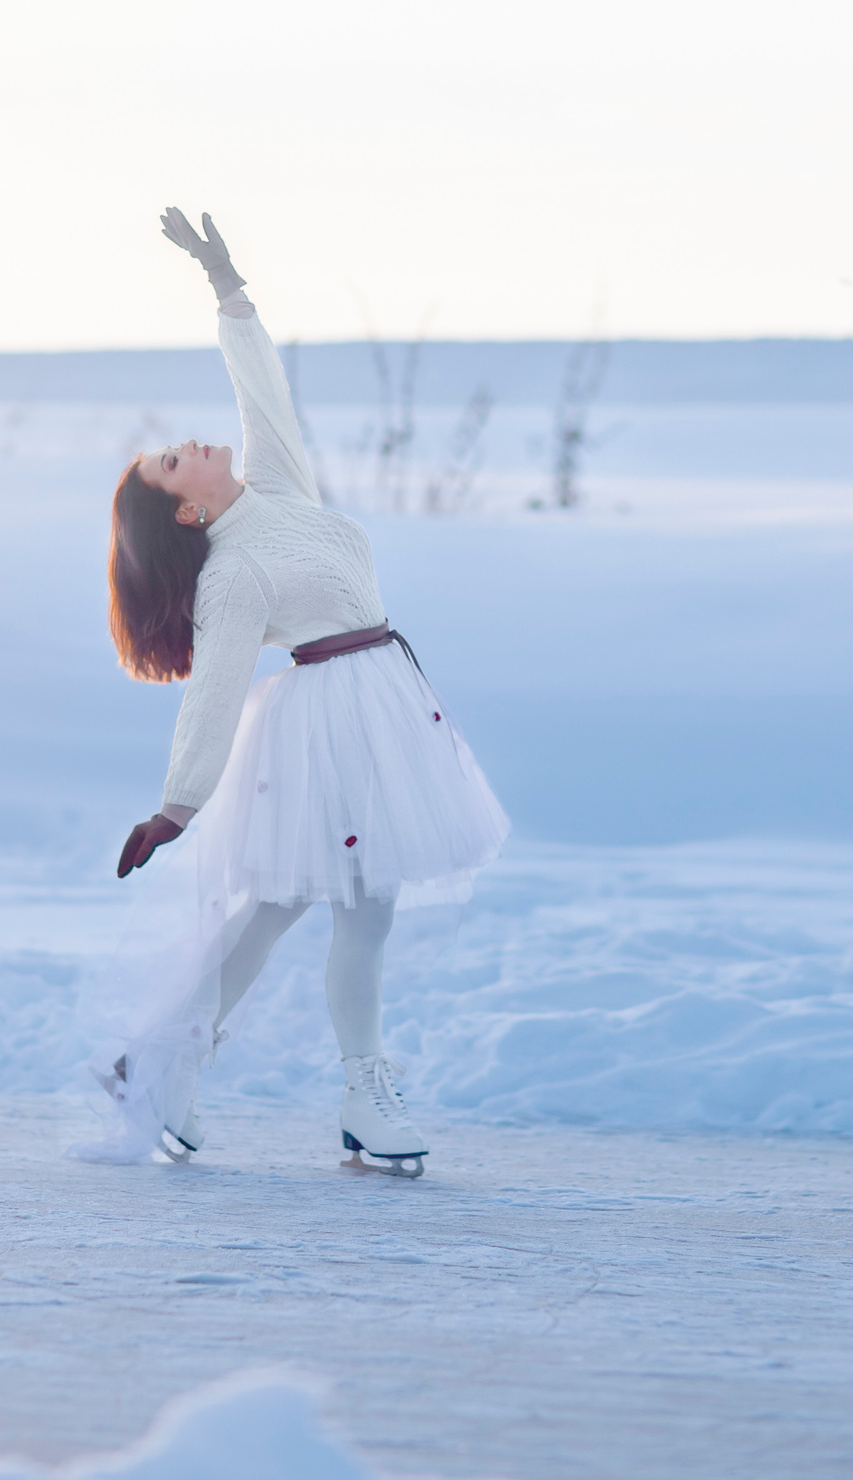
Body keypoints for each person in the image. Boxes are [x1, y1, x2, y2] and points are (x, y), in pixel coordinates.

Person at [87, 208, 509, 1177]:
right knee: (355, 910)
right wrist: (176, 806)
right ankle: (362, 1088)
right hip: (329, 727)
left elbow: (262, 391)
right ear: (186, 509)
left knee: (284, 906)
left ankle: (161, 1060)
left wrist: (227, 289)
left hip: (385, 705)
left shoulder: (278, 491)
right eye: (170, 461)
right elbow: (216, 693)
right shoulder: (232, 574)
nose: (185, 443)